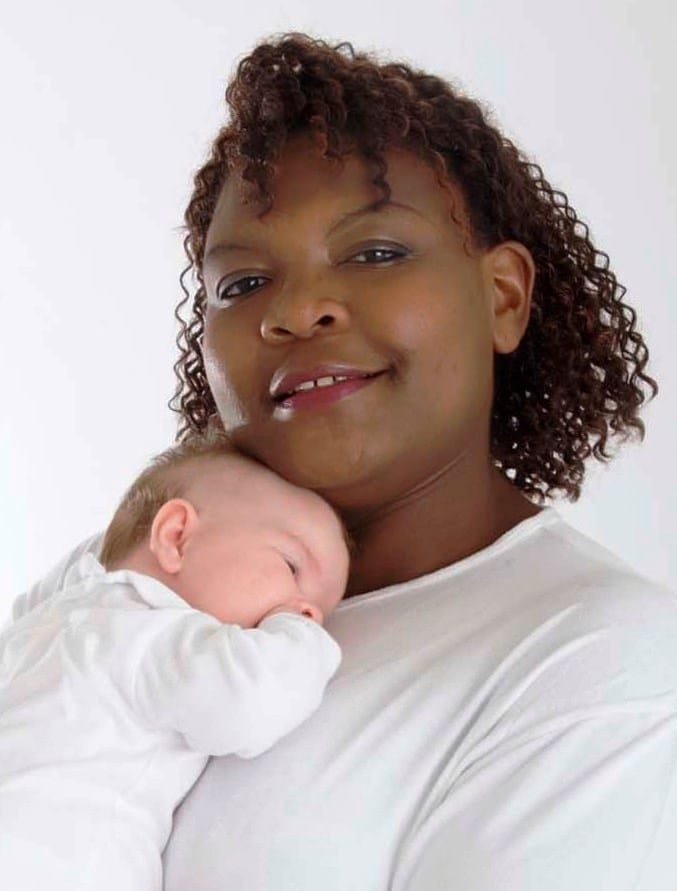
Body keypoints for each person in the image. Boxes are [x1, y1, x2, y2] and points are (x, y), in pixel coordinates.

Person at [14, 31, 677, 890]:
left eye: (375, 253)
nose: (296, 310)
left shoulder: (601, 663)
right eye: (241, 283)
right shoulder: (142, 569)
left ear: (501, 296)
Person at [0, 422, 351, 890]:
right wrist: (300, 638)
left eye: (321, 612)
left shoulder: (63, 615)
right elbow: (253, 701)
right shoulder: (158, 638)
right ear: (177, 535)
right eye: (291, 566)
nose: (306, 610)